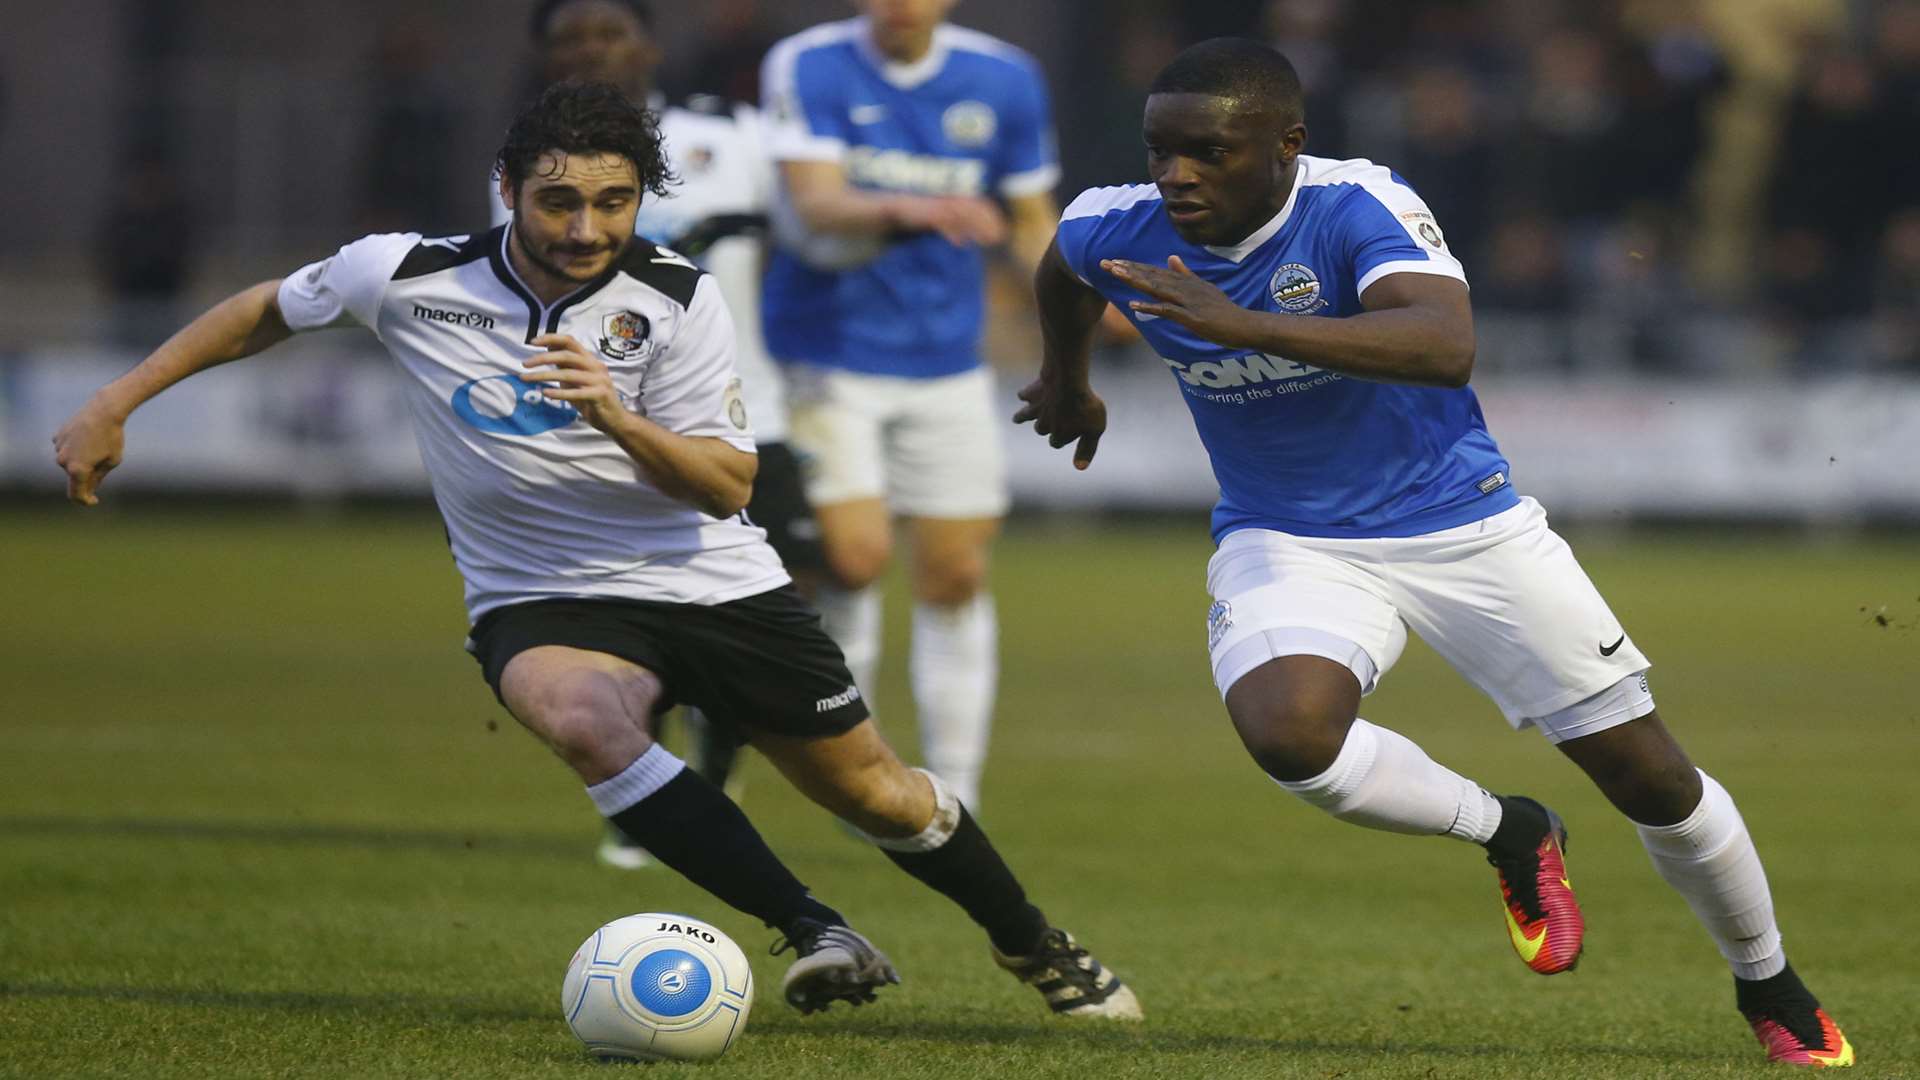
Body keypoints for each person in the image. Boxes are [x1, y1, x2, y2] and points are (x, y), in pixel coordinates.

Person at [53, 80, 1139, 1022]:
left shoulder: (673, 297)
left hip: (708, 582)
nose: (585, 226)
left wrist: (617, 417)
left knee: (881, 798)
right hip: (538, 597)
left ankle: (1033, 942)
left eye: (612, 201)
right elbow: (264, 311)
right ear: (509, 187)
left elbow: (727, 485)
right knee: (584, 719)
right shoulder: (408, 274)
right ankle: (815, 928)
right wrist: (117, 400)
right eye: (559, 199)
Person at [1016, 38, 1851, 1067]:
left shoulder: (1357, 205)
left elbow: (1442, 342)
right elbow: (1063, 269)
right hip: (1288, 533)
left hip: (1463, 525)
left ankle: (1770, 983)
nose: (1178, 175)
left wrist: (1245, 326)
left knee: (1651, 780)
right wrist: (1068, 378)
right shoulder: (1119, 224)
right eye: (1162, 152)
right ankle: (1508, 829)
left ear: (1287, 146)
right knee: (1289, 737)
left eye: (1209, 153)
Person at [491, 0, 811, 869]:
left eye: (609, 34)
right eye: (570, 39)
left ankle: (720, 752)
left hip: (748, 411)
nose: (591, 51)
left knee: (772, 600)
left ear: (649, 47)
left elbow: (801, 242)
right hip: (598, 418)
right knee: (622, 615)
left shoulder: (732, 137)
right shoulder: (521, 167)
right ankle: (639, 795)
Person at [755, 0, 1066, 812]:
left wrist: (1080, 306)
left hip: (946, 359)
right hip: (828, 353)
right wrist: (916, 208)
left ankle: (956, 794)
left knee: (957, 572)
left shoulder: (1003, 78)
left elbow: (1032, 217)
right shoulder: (809, 62)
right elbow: (815, 201)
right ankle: (860, 780)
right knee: (853, 561)